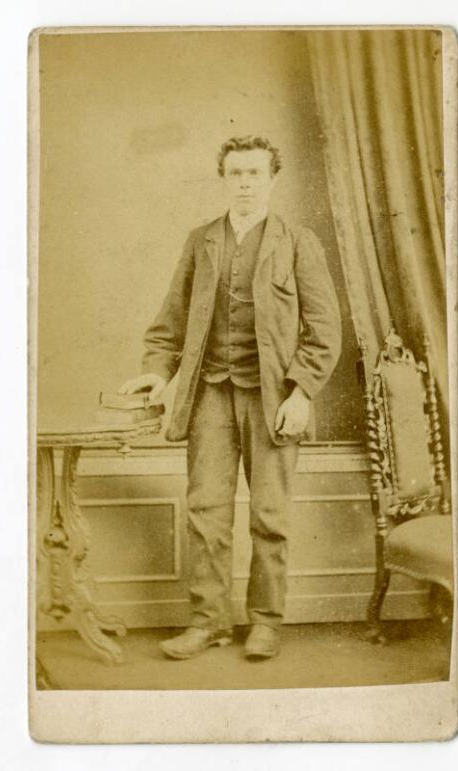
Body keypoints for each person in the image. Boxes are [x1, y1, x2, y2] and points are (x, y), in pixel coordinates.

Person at [119, 135, 341, 660]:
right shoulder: (201, 241)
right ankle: (208, 622)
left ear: (272, 179)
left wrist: (302, 391)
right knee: (207, 512)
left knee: (270, 515)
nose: (244, 183)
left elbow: (325, 330)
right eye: (236, 173)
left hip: (275, 400)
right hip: (211, 396)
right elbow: (169, 322)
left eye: (255, 174)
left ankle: (265, 622)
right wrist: (157, 373)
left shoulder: (297, 241)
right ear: (223, 178)